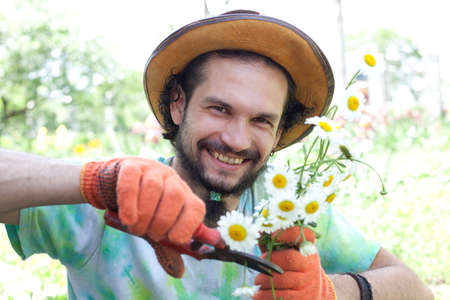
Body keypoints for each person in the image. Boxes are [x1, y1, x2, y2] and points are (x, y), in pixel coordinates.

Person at [0, 10, 433, 300]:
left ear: (280, 130)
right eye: (219, 108)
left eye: (261, 120)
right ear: (177, 104)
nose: (237, 139)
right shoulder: (106, 204)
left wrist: (334, 289)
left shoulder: (289, 211)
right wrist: (96, 181)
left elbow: (416, 289)